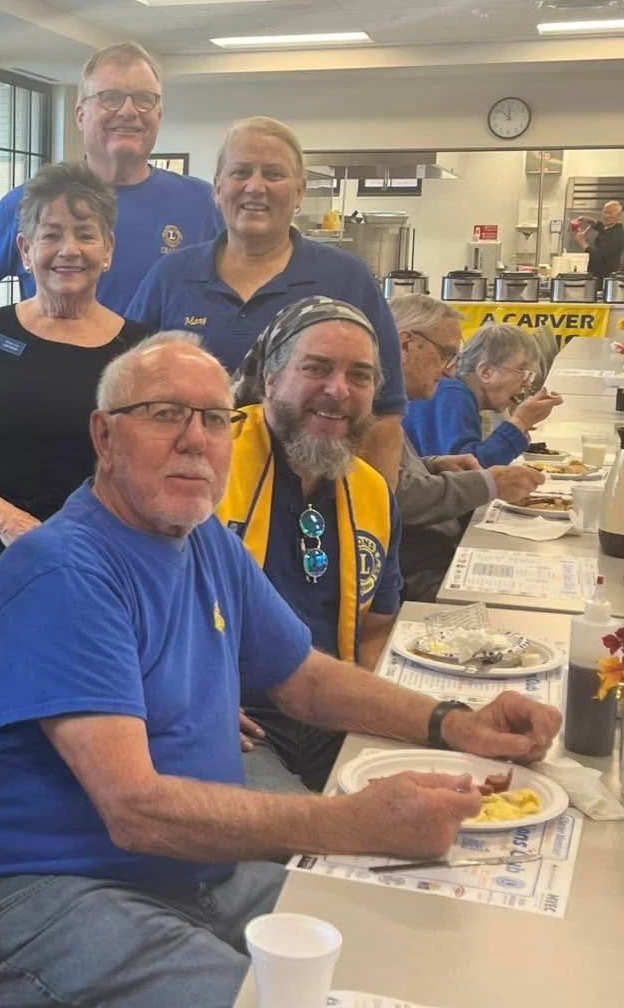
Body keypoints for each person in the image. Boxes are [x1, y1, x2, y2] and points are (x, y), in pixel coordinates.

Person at [0, 331, 561, 1008]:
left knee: (414, 960)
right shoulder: (63, 572)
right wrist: (351, 822)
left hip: (190, 866)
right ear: (104, 436)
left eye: (213, 419)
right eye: (166, 414)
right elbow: (136, 810)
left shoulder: (203, 545)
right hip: (38, 888)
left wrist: (455, 725)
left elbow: (306, 680)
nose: (195, 440)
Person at [125, 116, 407, 485]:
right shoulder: (170, 276)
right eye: (241, 172)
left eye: (274, 174)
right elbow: (127, 396)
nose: (255, 187)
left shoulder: (347, 279)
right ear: (217, 188)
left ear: (300, 191)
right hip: (186, 497)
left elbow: (385, 417)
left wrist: (372, 525)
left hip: (310, 503)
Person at [0, 161, 149, 631]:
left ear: (108, 250)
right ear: (24, 249)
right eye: (50, 234)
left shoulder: (144, 353)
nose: (69, 250)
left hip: (104, 581)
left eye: (85, 234)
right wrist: (0, 516)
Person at [218, 298, 402, 793]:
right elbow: (116, 606)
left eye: (359, 376)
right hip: (233, 718)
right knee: (312, 842)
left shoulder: (372, 490)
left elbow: (377, 630)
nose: (338, 390)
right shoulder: (204, 464)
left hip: (333, 709)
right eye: (316, 368)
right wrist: (181, 696)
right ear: (272, 378)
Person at [0, 42, 222, 314]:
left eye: (144, 99)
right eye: (110, 97)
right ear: (80, 115)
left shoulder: (204, 205)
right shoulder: (32, 201)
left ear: (159, 115)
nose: (128, 111)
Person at [390, 295, 544, 602]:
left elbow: (389, 475)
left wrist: (431, 464)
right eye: (446, 354)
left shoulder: (396, 402)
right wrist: (491, 481)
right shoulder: (447, 395)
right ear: (406, 345)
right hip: (418, 573)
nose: (450, 370)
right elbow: (397, 497)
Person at [403, 323, 562, 467]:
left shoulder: (460, 393)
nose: (527, 383)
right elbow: (468, 471)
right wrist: (520, 422)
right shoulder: (452, 395)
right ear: (485, 371)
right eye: (521, 371)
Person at [574, 199, 624, 280]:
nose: (607, 216)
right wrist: (592, 221)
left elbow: (599, 256)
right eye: (605, 212)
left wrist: (583, 243)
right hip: (596, 274)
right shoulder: (611, 228)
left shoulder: (618, 233)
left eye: (610, 213)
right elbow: (603, 228)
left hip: (605, 277)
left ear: (619, 215)